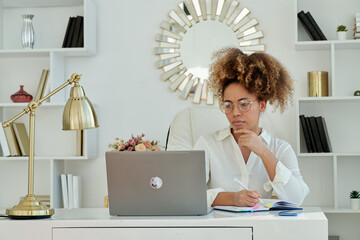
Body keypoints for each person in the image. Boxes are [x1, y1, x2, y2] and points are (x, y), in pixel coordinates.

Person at [193, 48, 309, 208]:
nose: (235, 113)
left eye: (244, 104)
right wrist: (232, 199)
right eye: (228, 105)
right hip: (218, 230)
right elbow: (188, 195)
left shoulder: (280, 149)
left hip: (264, 230)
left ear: (262, 105)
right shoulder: (207, 144)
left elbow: (296, 199)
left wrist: (263, 152)